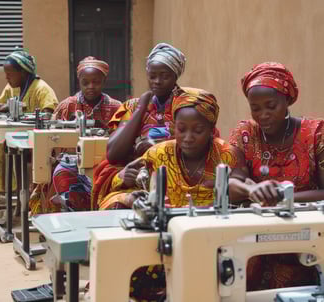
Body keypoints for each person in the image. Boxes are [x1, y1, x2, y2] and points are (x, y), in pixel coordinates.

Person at [101, 89, 246, 300]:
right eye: (181, 129)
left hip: (210, 241)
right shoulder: (159, 153)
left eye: (198, 130)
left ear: (211, 130)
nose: (188, 137)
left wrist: (226, 185)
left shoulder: (227, 155)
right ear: (173, 128)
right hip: (165, 238)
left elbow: (241, 188)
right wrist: (124, 178)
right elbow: (120, 187)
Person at [229, 62, 323, 290]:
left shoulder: (315, 134)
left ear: (288, 100)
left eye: (271, 106)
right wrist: (252, 190)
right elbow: (232, 185)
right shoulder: (245, 134)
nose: (263, 115)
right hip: (253, 247)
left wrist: (283, 195)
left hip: (304, 248)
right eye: (255, 108)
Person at [91, 43, 206, 209]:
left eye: (164, 76)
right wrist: (140, 109)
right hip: (137, 181)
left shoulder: (188, 107)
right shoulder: (134, 106)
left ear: (176, 76)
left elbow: (202, 145)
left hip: (178, 180)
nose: (157, 82)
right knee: (118, 205)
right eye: (152, 76)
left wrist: (154, 146)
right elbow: (114, 154)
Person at [29, 56, 121, 214]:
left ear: (104, 82)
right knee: (60, 175)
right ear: (79, 81)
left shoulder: (116, 107)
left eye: (96, 82)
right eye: (85, 82)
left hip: (104, 162)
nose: (90, 86)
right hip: (69, 162)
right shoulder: (67, 106)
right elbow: (50, 138)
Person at [0, 49, 58, 193]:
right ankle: (8, 190)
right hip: (20, 136)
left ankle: (23, 193)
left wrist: (22, 114)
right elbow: (2, 104)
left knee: (10, 146)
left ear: (23, 73)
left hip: (38, 140)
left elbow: (49, 114)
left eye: (9, 74)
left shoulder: (42, 89)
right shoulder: (12, 87)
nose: (6, 78)